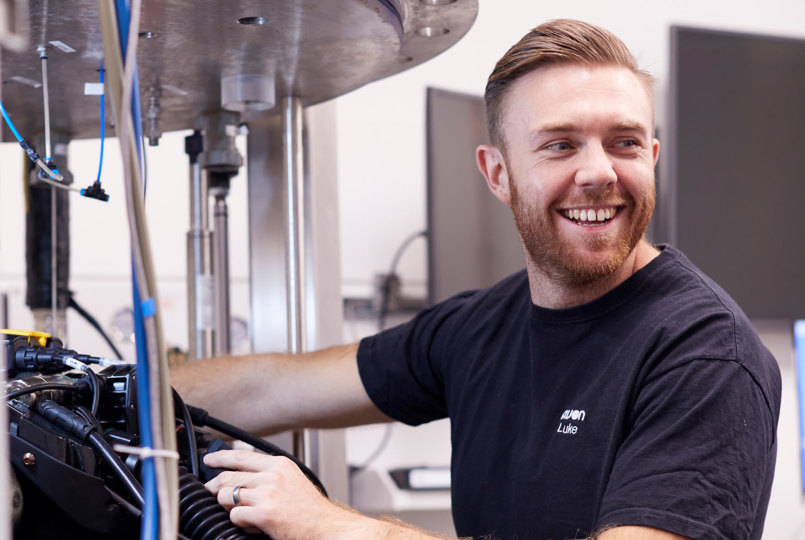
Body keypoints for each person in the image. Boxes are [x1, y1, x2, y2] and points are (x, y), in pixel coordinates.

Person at [171, 19, 782, 540]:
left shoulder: (707, 353)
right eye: (560, 145)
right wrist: (96, 390)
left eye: (623, 142)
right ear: (497, 173)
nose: (598, 172)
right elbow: (273, 388)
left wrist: (336, 525)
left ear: (651, 158)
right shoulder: (479, 326)